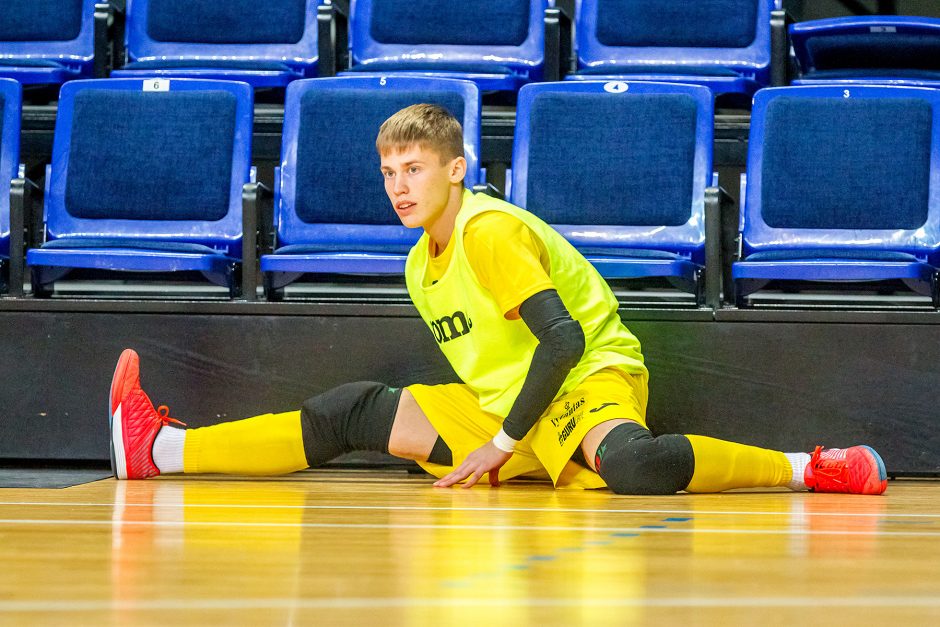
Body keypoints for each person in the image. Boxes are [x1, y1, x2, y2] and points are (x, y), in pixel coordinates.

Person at [108, 103, 887, 495]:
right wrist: (501, 431)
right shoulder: (421, 262)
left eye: (413, 168)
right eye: (388, 172)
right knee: (353, 410)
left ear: (456, 170)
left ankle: (814, 468)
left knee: (634, 464)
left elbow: (564, 342)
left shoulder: (488, 232)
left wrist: (504, 443)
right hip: (510, 407)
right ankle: (159, 451)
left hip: (585, 381)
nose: (398, 186)